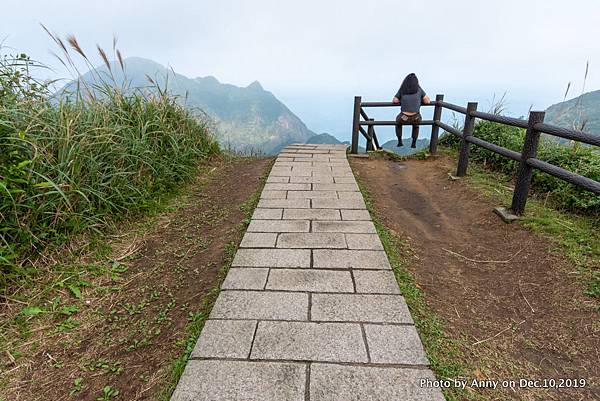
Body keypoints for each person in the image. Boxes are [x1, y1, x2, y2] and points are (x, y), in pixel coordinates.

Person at [393, 73, 430, 148]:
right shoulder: (419, 90)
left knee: (398, 122)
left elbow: (395, 100)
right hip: (415, 117)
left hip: (403, 117)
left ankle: (399, 141)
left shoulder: (403, 90)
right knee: (416, 125)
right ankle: (414, 143)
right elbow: (427, 101)